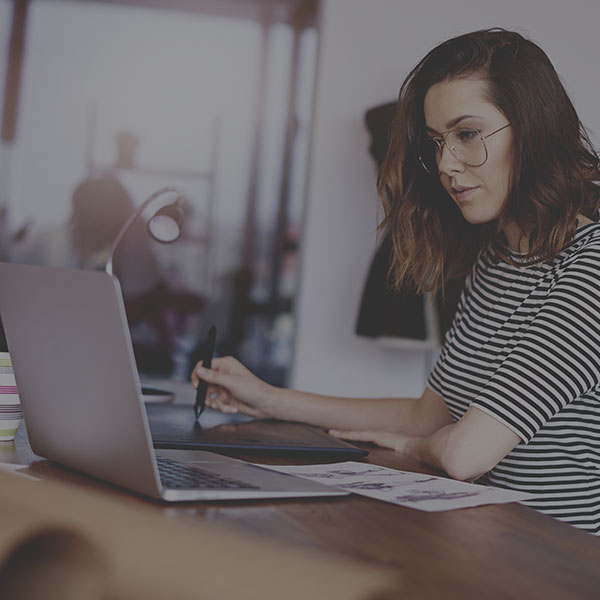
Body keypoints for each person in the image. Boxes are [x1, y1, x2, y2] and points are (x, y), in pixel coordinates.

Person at [191, 29, 600, 535]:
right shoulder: (498, 258)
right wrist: (269, 398)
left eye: (467, 134)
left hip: (559, 561)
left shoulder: (591, 269)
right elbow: (431, 416)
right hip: (481, 538)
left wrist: (409, 448)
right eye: (437, 142)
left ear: (534, 129)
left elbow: (461, 453)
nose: (448, 164)